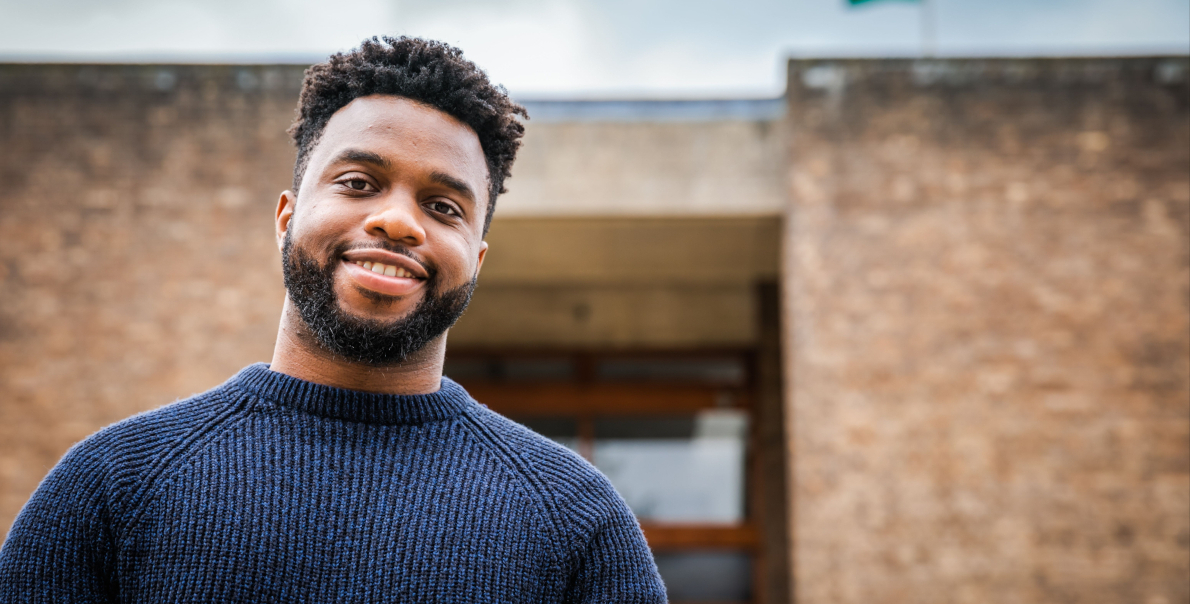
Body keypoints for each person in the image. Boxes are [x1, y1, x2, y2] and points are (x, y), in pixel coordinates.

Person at [0, 36, 666, 603]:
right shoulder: (113, 485)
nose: (398, 220)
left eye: (443, 206)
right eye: (358, 183)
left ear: (478, 257)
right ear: (286, 215)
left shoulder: (574, 519)